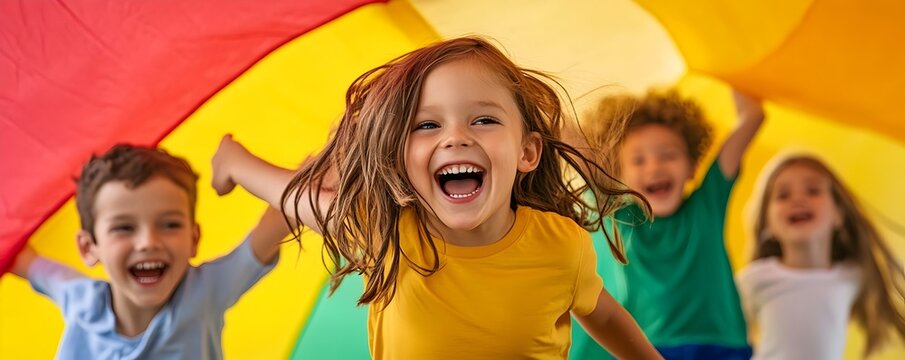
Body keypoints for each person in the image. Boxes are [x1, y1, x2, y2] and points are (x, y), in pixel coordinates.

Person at [211, 36, 661, 359]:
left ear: (527, 152)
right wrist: (235, 162)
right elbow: (296, 196)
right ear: (400, 158)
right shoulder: (388, 234)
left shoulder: (561, 245)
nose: (455, 138)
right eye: (427, 125)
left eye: (483, 120)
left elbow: (601, 314)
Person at [9, 144, 285, 359]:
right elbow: (17, 252)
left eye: (169, 224)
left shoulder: (202, 294)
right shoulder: (80, 300)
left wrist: (239, 165)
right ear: (88, 247)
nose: (148, 242)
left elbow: (289, 210)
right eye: (124, 228)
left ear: (194, 238)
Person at [571, 89, 765, 359]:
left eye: (668, 155)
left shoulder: (706, 206)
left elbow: (752, 118)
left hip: (723, 347)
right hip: (653, 350)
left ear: (692, 166)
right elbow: (571, 145)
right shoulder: (622, 217)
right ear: (618, 172)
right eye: (638, 160)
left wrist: (735, 68)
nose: (654, 167)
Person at [737, 155, 905, 359]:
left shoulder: (854, 276)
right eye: (783, 195)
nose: (798, 200)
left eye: (813, 191)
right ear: (768, 225)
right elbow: (726, 334)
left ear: (838, 215)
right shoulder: (754, 280)